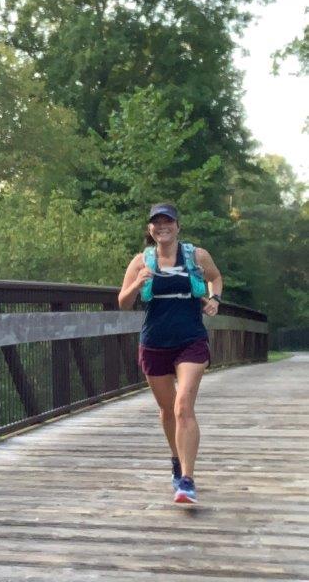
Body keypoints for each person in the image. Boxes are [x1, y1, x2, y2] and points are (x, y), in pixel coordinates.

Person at [118, 203, 223, 504]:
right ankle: (176, 460)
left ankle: (187, 480)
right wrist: (137, 283)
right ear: (150, 229)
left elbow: (216, 277)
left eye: (168, 222)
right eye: (156, 223)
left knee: (182, 406)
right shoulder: (141, 261)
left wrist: (215, 299)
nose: (162, 227)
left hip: (191, 340)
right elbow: (123, 302)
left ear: (178, 226)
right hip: (154, 343)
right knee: (167, 411)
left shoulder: (197, 256)